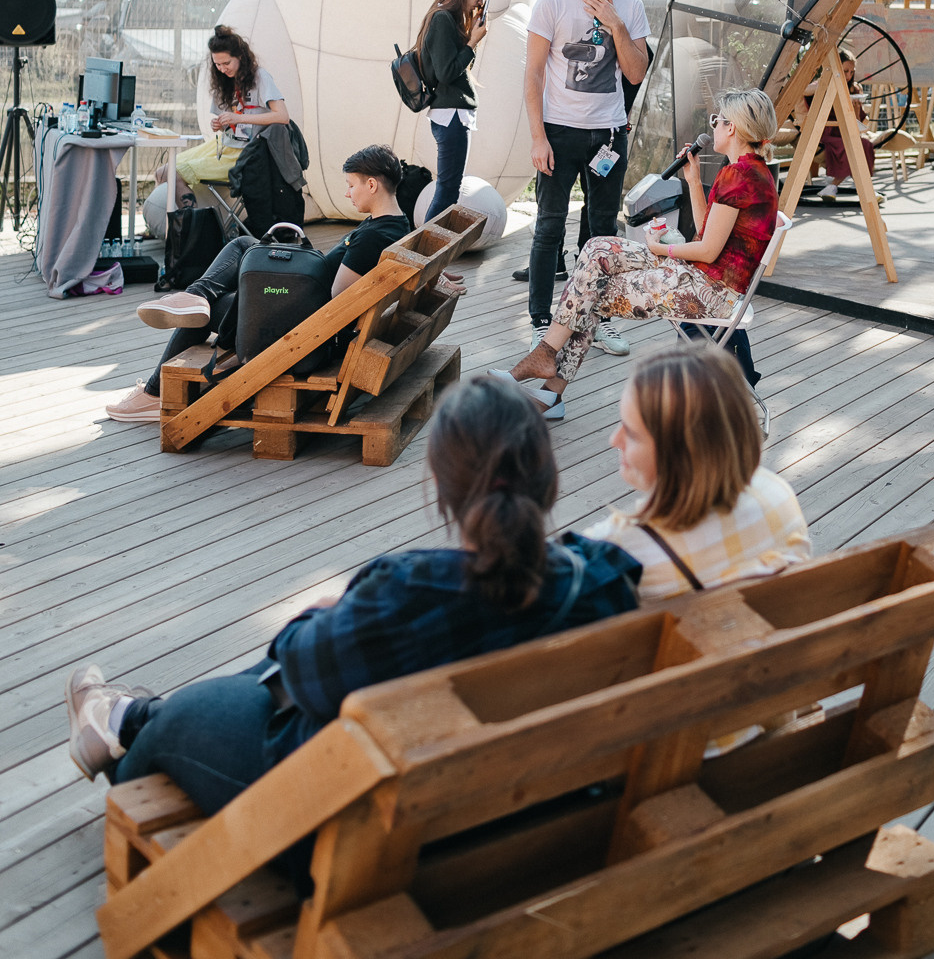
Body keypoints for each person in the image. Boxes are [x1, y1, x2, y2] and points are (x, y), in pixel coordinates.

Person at [66, 378, 642, 851]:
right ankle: (124, 716)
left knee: (193, 716)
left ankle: (125, 727)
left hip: (374, 838)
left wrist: (320, 615)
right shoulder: (601, 580)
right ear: (548, 477)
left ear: (442, 483)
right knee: (234, 697)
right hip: (529, 824)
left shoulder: (409, 591)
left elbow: (296, 669)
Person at [584, 344, 809, 751]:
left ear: (680, 454)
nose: (613, 438)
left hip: (682, 750)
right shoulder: (776, 494)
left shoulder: (618, 548)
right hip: (763, 720)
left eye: (631, 433)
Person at [105, 145, 429, 423]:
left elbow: (335, 300)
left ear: (371, 185)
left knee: (211, 308)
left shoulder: (372, 237)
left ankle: (154, 392)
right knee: (246, 245)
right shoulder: (395, 226)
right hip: (299, 307)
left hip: (300, 324)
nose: (347, 193)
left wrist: (276, 286)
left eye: (351, 185)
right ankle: (195, 296)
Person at [502, 89, 779, 408]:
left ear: (731, 128)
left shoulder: (739, 175)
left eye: (716, 121)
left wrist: (662, 250)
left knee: (591, 292)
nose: (713, 126)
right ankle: (546, 362)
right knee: (597, 248)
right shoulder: (750, 170)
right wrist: (691, 180)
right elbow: (707, 234)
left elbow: (707, 251)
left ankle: (549, 379)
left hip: (707, 292)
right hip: (701, 279)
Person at [525, 0, 649, 360]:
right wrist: (538, 137)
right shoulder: (552, 3)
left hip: (609, 133)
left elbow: (636, 72)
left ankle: (595, 318)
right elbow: (534, 74)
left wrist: (615, 25)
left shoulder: (631, 7)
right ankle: (542, 320)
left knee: (601, 232)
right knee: (549, 225)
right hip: (559, 132)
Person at [168, 27, 289, 207]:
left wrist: (238, 119)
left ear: (240, 56)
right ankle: (166, 225)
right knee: (164, 171)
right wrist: (219, 124)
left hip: (247, 154)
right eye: (217, 64)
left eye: (226, 63)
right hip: (225, 145)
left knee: (175, 173)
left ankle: (189, 230)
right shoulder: (223, 81)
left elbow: (282, 116)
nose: (222, 69)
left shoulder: (260, 77)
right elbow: (229, 121)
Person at [417, 0, 492, 219]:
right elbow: (447, 73)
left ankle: (426, 252)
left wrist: (471, 35)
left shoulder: (447, 18)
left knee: (449, 189)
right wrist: (472, 42)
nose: (479, 2)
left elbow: (459, 67)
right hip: (450, 115)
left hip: (452, 114)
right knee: (448, 191)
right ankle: (422, 254)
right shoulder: (442, 19)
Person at [814, 50, 876, 201]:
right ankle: (866, 190)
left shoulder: (855, 88)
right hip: (830, 131)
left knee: (865, 144)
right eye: (845, 71)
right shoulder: (825, 86)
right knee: (852, 146)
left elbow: (855, 121)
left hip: (847, 130)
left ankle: (832, 187)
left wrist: (855, 107)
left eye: (852, 72)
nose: (848, 76)